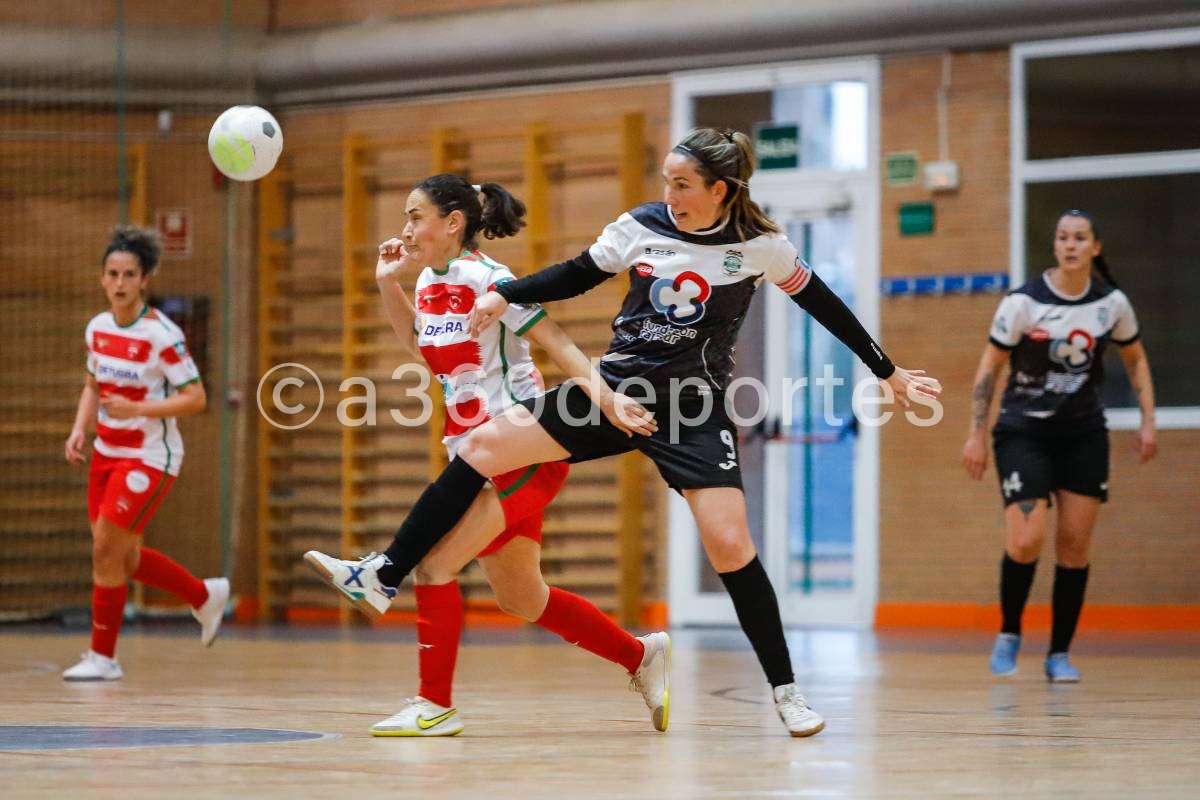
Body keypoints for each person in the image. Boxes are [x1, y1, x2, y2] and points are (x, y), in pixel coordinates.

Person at [307, 128, 942, 737]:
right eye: (666, 181)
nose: (669, 194)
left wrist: (885, 371)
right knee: (479, 449)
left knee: (729, 544)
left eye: (682, 184)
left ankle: (787, 692)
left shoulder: (760, 247)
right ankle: (386, 570)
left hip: (692, 408)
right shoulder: (641, 226)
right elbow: (577, 272)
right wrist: (508, 293)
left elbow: (823, 302)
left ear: (720, 190)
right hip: (615, 390)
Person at [305, 174, 669, 736]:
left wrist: (607, 399)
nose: (406, 229)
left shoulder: (491, 280)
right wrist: (387, 284)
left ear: (453, 222)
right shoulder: (429, 280)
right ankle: (640, 655)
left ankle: (432, 702)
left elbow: (557, 342)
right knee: (522, 596)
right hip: (475, 455)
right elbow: (422, 348)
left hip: (521, 450)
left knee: (436, 565)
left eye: (415, 216)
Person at [962, 210, 1157, 683]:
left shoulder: (1111, 304)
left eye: (1080, 238)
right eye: (1063, 237)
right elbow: (989, 368)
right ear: (1055, 246)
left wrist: (1148, 421)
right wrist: (976, 433)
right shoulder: (1023, 303)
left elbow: (1136, 360)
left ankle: (1059, 654)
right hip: (1023, 432)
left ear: (1095, 247)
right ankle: (1010, 630)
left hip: (1083, 435)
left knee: (1073, 545)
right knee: (1026, 539)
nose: (1070, 245)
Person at [62, 226, 229, 681]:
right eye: (112, 274)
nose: (119, 283)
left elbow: (195, 398)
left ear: (144, 280)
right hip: (106, 452)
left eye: (129, 275)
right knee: (121, 557)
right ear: (102, 278)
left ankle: (103, 658)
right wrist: (79, 429)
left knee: (105, 548)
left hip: (150, 456)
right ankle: (203, 596)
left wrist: (137, 408)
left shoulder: (161, 334)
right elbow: (92, 386)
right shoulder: (97, 328)